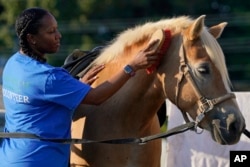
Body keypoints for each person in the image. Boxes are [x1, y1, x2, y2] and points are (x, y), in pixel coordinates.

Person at [0, 7, 160, 167]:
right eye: (51, 32)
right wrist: (131, 66)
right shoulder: (49, 77)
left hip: (9, 158)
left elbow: (39, 101)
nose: (58, 36)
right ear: (31, 38)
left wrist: (76, 89)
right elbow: (97, 98)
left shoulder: (13, 63)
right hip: (40, 160)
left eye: (57, 29)